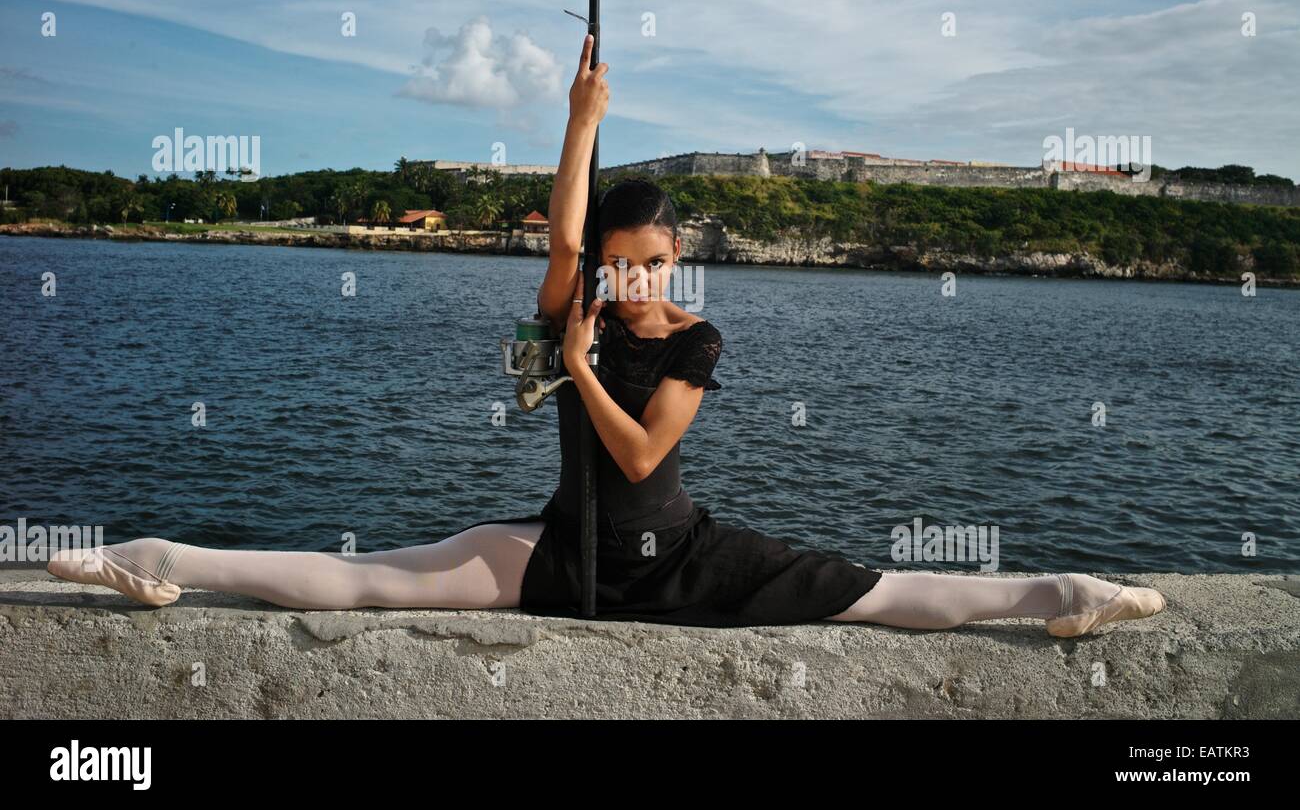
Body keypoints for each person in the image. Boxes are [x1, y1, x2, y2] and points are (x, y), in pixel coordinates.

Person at [48, 34, 1166, 637]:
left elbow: (641, 455)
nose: (629, 272)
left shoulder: (693, 338)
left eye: (651, 257)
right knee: (357, 581)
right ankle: (151, 561)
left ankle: (1063, 594)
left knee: (877, 591)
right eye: (615, 256)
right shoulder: (571, 302)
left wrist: (579, 366)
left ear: (677, 255)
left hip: (677, 552)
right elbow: (565, 233)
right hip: (566, 549)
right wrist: (580, 122)